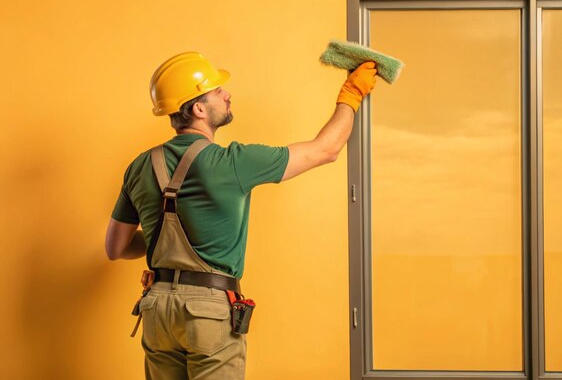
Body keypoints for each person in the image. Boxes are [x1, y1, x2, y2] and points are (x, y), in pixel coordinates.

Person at [105, 51, 377, 380]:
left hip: (156, 310)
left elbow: (116, 248)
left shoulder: (139, 165)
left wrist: (164, 250)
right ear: (199, 109)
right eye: (217, 90)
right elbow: (326, 149)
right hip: (207, 315)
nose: (227, 93)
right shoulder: (233, 162)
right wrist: (352, 94)